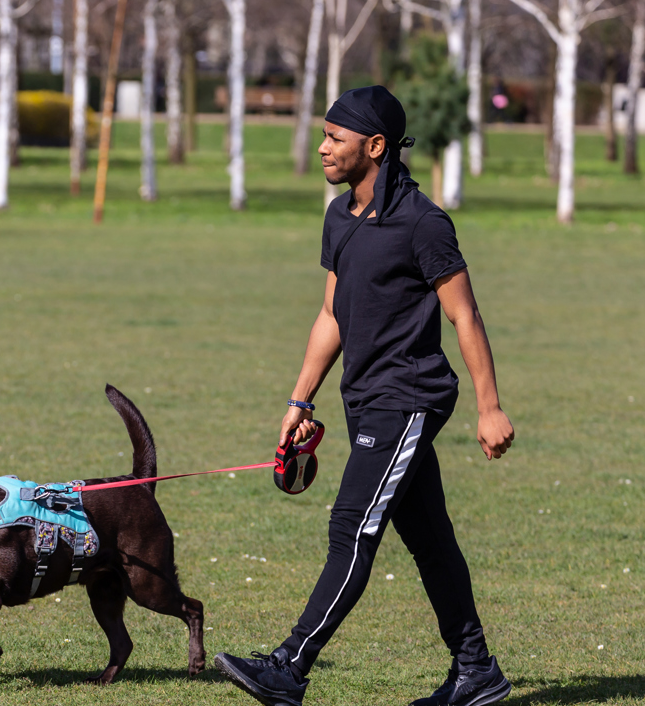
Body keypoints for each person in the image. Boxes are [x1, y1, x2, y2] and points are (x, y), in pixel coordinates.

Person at [214, 86, 515, 706]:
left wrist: (489, 407)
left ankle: (289, 667)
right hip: (363, 398)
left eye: (335, 138)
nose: (323, 148)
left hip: (408, 397)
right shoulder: (339, 217)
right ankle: (476, 671)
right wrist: (301, 401)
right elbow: (331, 314)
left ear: (375, 146)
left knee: (352, 529)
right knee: (430, 539)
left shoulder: (422, 222)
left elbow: (465, 316)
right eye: (324, 136)